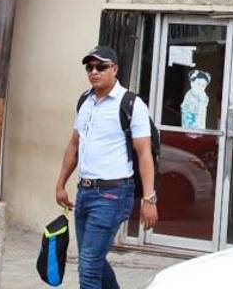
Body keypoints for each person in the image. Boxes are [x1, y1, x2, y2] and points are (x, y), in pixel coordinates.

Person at [56, 46, 158, 289]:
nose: (94, 72)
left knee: (88, 267)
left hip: (113, 194)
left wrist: (149, 199)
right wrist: (60, 184)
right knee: (94, 261)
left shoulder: (131, 104)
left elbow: (144, 154)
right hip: (85, 191)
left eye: (100, 67)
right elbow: (74, 145)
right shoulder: (85, 101)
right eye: (89, 67)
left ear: (114, 69)